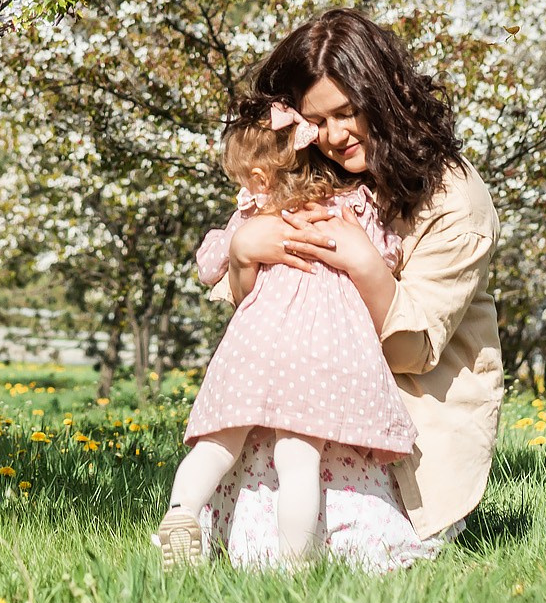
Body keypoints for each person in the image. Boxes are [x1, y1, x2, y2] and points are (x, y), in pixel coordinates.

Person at [204, 7, 503, 570]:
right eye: (318, 120)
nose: (335, 136)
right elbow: (257, 316)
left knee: (354, 546)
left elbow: (413, 353)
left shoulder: (455, 203)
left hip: (411, 425)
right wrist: (244, 252)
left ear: (386, 96)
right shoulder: (311, 174)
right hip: (307, 397)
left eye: (348, 113)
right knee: (255, 541)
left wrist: (367, 266)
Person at [155, 96, 416, 570]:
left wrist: (240, 237)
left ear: (259, 178)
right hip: (324, 351)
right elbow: (389, 254)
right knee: (298, 462)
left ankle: (181, 513)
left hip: (255, 347)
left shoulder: (256, 216)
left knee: (218, 441)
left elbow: (208, 264)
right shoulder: (349, 208)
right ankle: (295, 566)